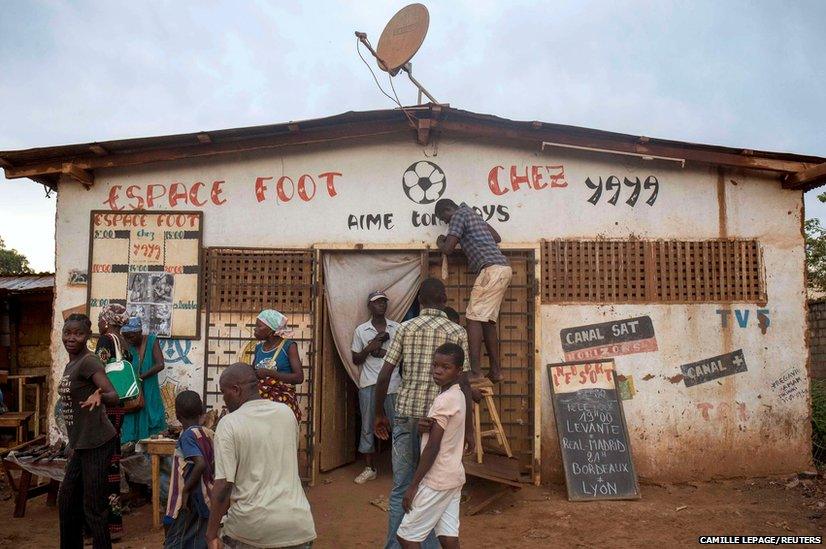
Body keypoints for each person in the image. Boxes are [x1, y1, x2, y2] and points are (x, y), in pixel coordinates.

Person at [374, 278, 474, 549]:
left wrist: (379, 414)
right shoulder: (457, 332)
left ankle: (396, 546)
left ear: (420, 301)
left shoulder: (405, 327)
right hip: (438, 421)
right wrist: (471, 431)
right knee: (432, 486)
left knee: (402, 488)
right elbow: (465, 383)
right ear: (445, 299)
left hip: (407, 416)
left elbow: (384, 375)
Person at [206, 363, 316, 549]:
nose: (224, 399)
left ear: (236, 389)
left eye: (224, 393)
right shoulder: (286, 413)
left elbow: (224, 484)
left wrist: (211, 533)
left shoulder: (229, 424)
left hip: (252, 528)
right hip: (298, 524)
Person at [57, 313, 120, 549]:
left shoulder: (89, 361)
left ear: (87, 337)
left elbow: (114, 395)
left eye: (78, 333)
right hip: (81, 444)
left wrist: (100, 395)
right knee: (66, 501)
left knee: (93, 507)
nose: (71, 338)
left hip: (97, 442)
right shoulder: (71, 363)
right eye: (67, 333)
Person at [397, 343, 467, 549]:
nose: (438, 371)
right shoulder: (458, 395)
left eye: (445, 367)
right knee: (448, 537)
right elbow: (441, 436)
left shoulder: (444, 400)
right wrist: (423, 430)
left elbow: (433, 447)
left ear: (458, 371)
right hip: (453, 475)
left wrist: (413, 485)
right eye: (435, 365)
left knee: (407, 537)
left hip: (437, 478)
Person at [435, 198, 513, 383]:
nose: (446, 223)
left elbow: (448, 249)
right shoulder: (473, 215)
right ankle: (496, 371)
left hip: (490, 271)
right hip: (502, 270)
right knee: (487, 322)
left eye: (444, 219)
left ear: (448, 210)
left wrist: (441, 242)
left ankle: (476, 372)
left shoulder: (458, 215)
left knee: (472, 318)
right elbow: (496, 238)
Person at [351, 290, 402, 484]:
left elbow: (404, 355)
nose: (381, 305)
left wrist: (384, 352)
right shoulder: (361, 330)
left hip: (393, 384)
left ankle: (400, 468)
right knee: (368, 425)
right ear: (369, 306)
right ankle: (369, 467)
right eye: (377, 302)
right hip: (369, 384)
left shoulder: (397, 328)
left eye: (383, 302)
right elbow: (356, 358)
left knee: (398, 426)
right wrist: (370, 347)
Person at [94, 303, 132, 541]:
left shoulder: (106, 340)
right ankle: (114, 524)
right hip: (119, 408)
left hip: (107, 407)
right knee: (113, 464)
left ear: (106, 320)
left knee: (101, 465)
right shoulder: (123, 342)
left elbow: (98, 369)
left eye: (99, 320)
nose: (98, 324)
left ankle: (103, 526)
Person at [164, 391, 214, 549]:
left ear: (178, 416)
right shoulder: (207, 433)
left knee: (174, 538)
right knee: (196, 538)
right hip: (204, 494)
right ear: (201, 413)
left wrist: (185, 491)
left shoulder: (187, 436)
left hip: (186, 498)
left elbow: (200, 463)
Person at [121, 316, 168, 443]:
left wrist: (140, 377)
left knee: (152, 419)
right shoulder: (125, 345)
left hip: (149, 388)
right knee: (131, 418)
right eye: (125, 336)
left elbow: (160, 364)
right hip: (132, 390)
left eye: (131, 336)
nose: (128, 339)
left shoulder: (152, 340)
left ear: (139, 332)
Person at [251, 309, 304, 421]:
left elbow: (299, 377)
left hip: (282, 406)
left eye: (259, 326)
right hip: (261, 408)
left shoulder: (289, 346)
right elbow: (253, 374)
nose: (255, 329)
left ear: (271, 330)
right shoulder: (258, 348)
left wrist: (270, 373)